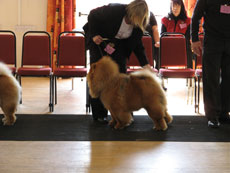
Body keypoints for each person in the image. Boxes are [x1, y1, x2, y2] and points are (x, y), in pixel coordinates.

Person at [83, 0, 152, 123]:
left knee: (122, 78)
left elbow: (138, 45)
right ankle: (100, 115)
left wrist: (145, 64)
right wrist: (94, 34)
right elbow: (92, 14)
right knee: (98, 77)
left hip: (117, 46)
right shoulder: (115, 10)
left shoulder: (140, 25)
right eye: (132, 18)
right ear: (130, 11)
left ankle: (123, 113)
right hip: (98, 40)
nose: (132, 22)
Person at [191, 0, 230, 128]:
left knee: (228, 79)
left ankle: (224, 112)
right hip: (212, 41)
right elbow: (195, 17)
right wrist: (195, 39)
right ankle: (212, 116)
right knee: (211, 79)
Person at [161, 0, 193, 69]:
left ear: (181, 7)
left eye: (178, 6)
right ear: (171, 7)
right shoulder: (165, 20)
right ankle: (160, 72)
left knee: (188, 46)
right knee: (159, 47)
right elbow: (162, 36)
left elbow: (188, 38)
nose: (175, 8)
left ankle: (189, 71)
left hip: (182, 48)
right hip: (168, 47)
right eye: (173, 6)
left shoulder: (187, 21)